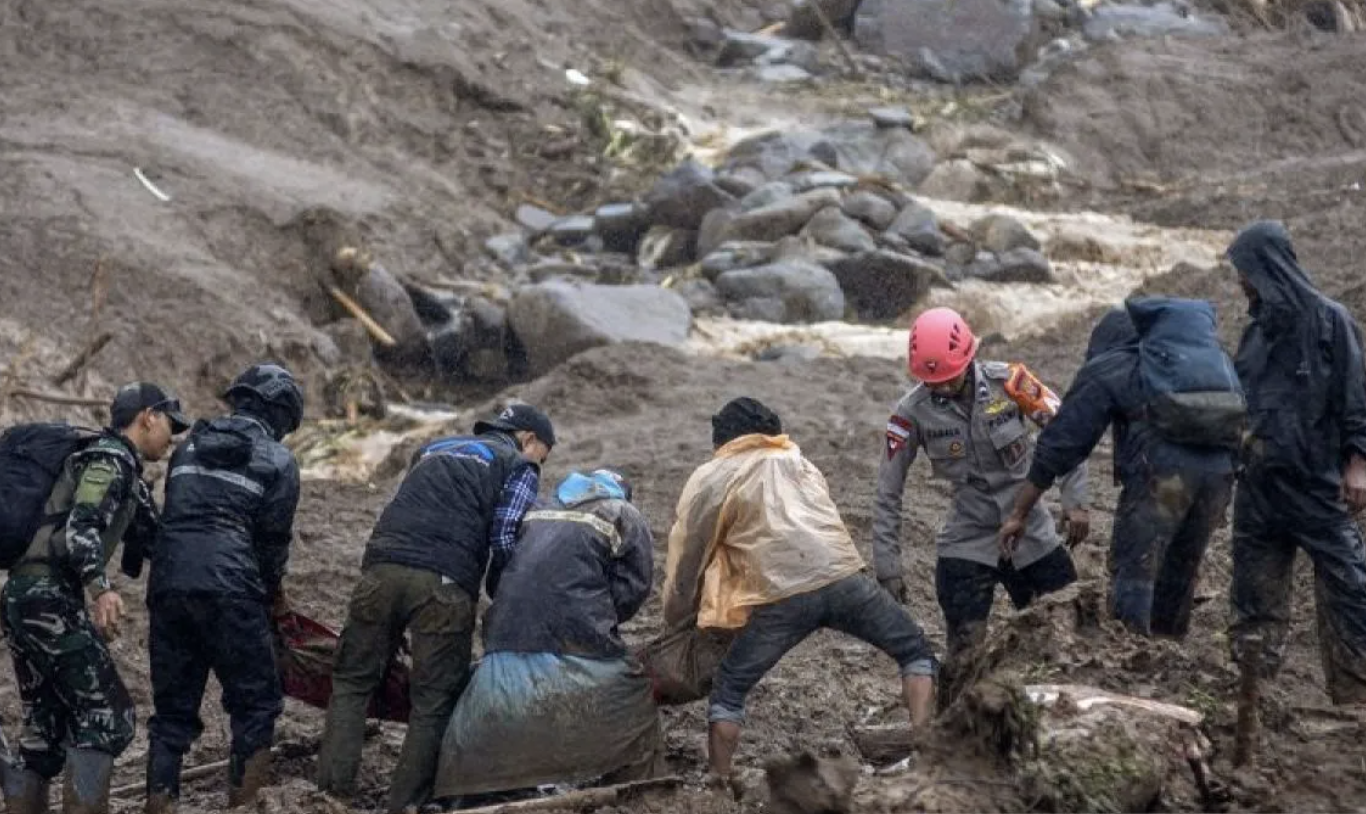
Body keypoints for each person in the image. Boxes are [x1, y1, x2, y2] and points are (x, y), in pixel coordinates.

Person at [662, 397, 937, 784]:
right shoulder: (798, 459)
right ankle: (928, 754)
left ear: (723, 439)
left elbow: (687, 555)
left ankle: (718, 780)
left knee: (729, 689)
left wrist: (675, 616)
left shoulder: (712, 475)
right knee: (914, 651)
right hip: (843, 577)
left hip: (782, 597)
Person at [316, 403, 554, 812]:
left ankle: (329, 797)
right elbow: (504, 537)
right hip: (444, 583)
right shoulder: (518, 464)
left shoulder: (433, 447)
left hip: (379, 570)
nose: (540, 464)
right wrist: (501, 591)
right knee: (434, 699)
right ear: (528, 439)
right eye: (543, 455)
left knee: (352, 683)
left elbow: (405, 504)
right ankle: (405, 804)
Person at [873, 308, 1087, 692]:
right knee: (964, 655)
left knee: (1067, 630)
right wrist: (888, 565)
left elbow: (1067, 432)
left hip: (1033, 535)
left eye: (948, 379)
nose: (940, 388)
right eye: (931, 381)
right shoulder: (910, 413)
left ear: (968, 357)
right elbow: (888, 490)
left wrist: (1076, 501)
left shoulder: (1012, 383)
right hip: (968, 541)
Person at [1000, 299, 1239, 638]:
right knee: (1181, 570)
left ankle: (1132, 657)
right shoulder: (1205, 364)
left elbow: (1059, 445)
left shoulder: (1111, 366)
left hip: (1163, 477)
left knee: (1135, 569)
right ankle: (1169, 657)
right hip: (1219, 477)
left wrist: (1019, 513)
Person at [1, 383, 188, 814]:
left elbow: (156, 537)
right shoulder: (109, 459)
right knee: (108, 714)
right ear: (148, 417)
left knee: (45, 728)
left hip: (24, 597)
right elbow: (80, 529)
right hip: (47, 597)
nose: (172, 436)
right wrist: (101, 590)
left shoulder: (123, 470)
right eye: (169, 425)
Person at [433, 469, 662, 801]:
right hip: (580, 638)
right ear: (620, 492)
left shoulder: (536, 509)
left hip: (505, 637)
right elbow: (633, 587)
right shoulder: (623, 513)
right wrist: (599, 616)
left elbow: (498, 578)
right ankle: (638, 796)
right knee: (635, 700)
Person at [143, 364, 306, 812]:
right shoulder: (278, 460)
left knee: (172, 713)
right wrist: (274, 600)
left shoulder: (188, 447)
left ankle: (159, 803)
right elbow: (272, 546)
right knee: (256, 703)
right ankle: (245, 803)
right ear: (283, 414)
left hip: (169, 584)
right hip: (232, 587)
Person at [1224, 220, 1366, 704]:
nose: (1240, 281)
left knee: (1349, 586)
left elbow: (1356, 398)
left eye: (1243, 270)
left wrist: (1358, 464)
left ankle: (1355, 696)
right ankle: (1253, 700)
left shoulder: (1332, 321)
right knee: (1253, 598)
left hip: (1315, 482)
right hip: (1259, 486)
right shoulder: (1255, 333)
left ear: (1266, 267)